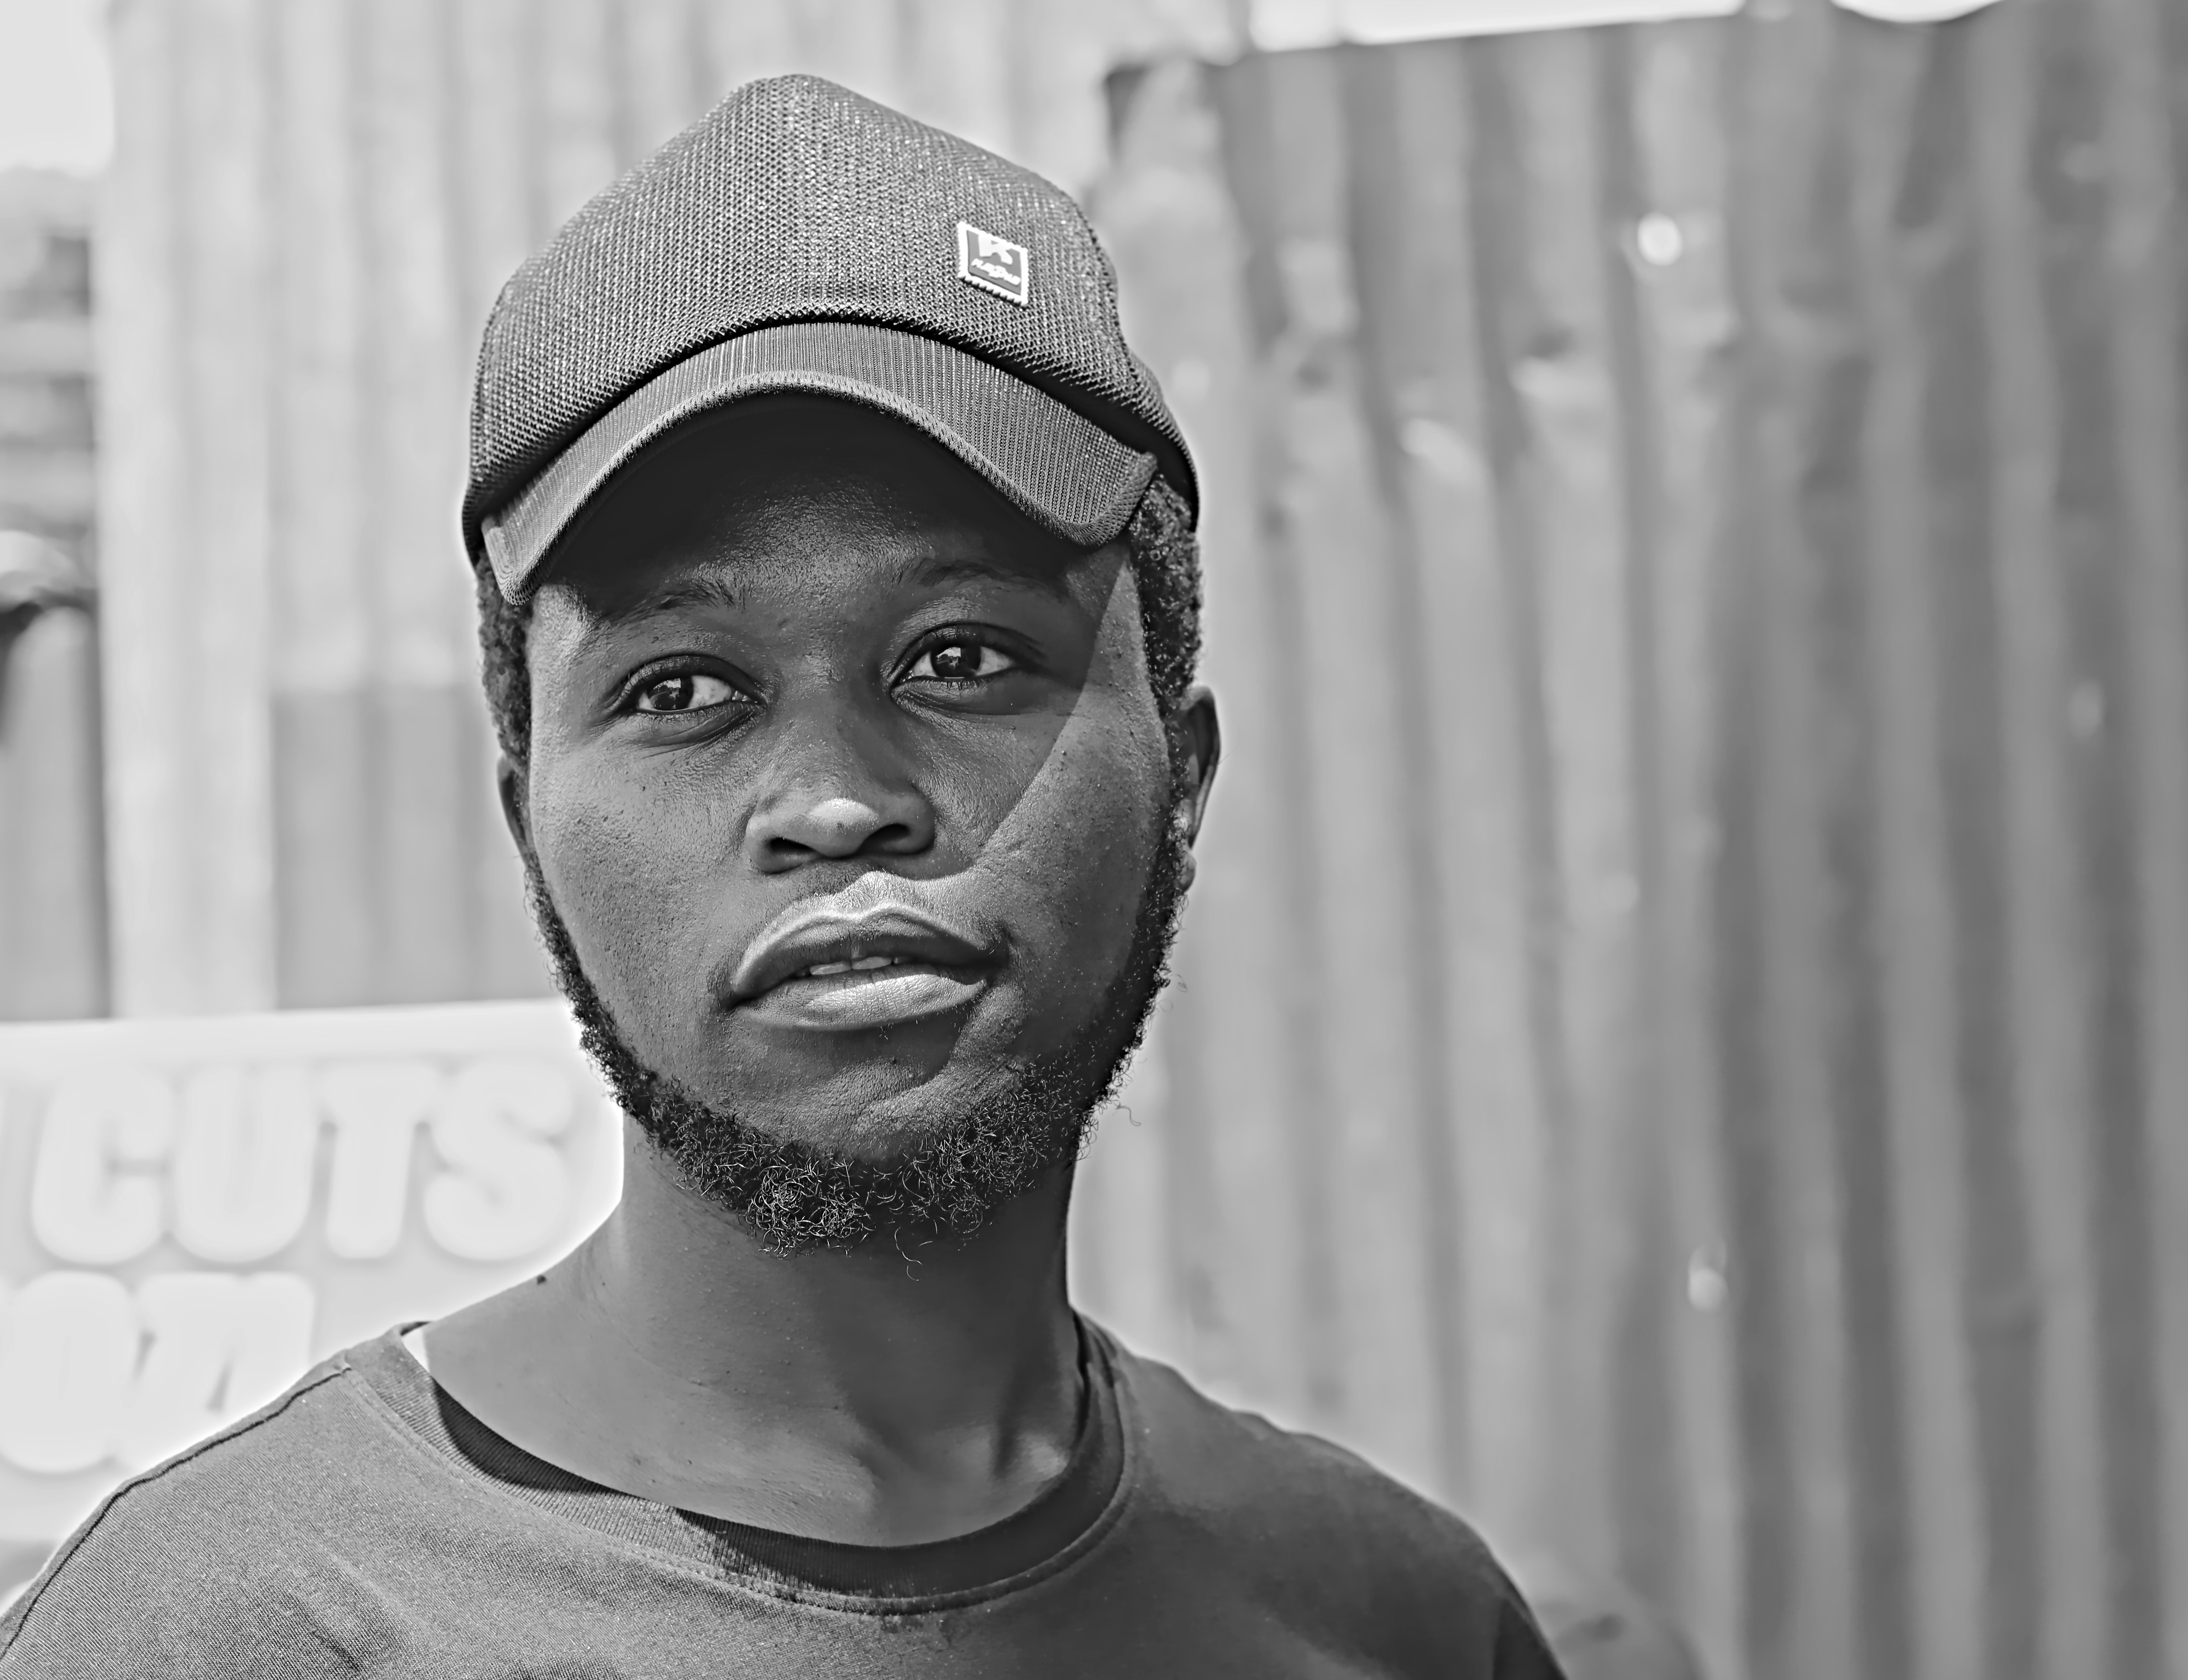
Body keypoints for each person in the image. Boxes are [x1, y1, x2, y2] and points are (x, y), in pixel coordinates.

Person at [0, 76, 1564, 1677]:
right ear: (526, 817)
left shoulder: (1395, 1617)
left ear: (1185, 777)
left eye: (961, 654)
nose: (830, 804)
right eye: (682, 688)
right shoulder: (219, 1637)